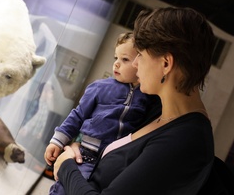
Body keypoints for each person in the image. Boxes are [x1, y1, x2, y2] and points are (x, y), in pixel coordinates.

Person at [53, 7, 217, 194]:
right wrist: (80, 147)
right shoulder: (156, 109)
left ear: (165, 64)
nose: (136, 63)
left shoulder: (184, 139)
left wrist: (66, 166)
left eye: (141, 55)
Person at [44, 32, 161, 195]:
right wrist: (57, 141)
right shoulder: (100, 87)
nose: (117, 64)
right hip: (86, 154)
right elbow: (78, 115)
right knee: (65, 189)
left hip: (113, 161)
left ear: (140, 62)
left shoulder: (148, 97)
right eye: (116, 58)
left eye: (125, 59)